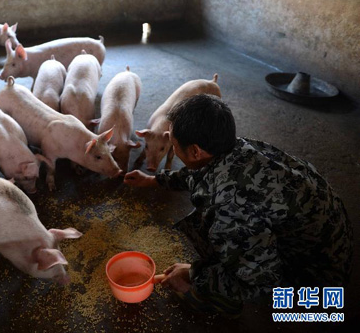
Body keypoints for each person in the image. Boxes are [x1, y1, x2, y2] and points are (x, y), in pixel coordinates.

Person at [124, 94, 352, 316]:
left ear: (195, 151)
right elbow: (200, 171)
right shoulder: (236, 148)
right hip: (328, 238)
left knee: (223, 256)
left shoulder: (230, 206)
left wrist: (194, 275)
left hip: (314, 274)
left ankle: (222, 302)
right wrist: (155, 180)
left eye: (173, 145)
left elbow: (262, 277)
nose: (173, 149)